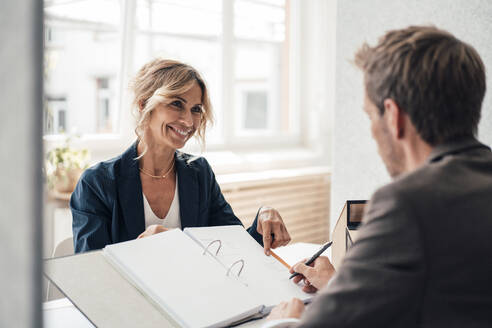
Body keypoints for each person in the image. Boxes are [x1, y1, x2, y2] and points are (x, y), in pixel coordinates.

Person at [265, 25, 492, 327]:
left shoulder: (409, 204)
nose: (372, 131)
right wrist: (338, 286)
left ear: (394, 116)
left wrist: (287, 322)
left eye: (370, 115)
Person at [71, 58, 291, 254]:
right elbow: (93, 277)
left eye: (196, 109)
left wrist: (262, 220)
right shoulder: (97, 184)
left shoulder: (199, 173)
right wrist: (160, 248)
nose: (188, 121)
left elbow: (232, 250)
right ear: (144, 104)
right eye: (177, 104)